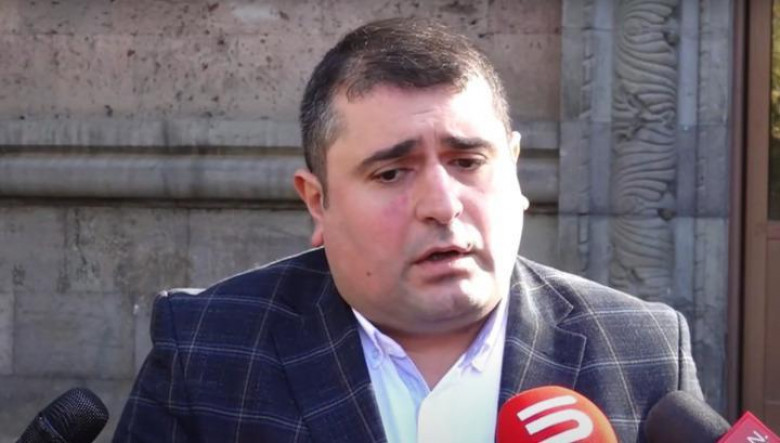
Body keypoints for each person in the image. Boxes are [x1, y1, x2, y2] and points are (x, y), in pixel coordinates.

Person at [113, 17, 703, 442]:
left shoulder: (640, 349)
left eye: (468, 162)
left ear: (514, 170)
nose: (442, 205)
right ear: (318, 202)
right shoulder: (207, 349)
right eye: (391, 173)